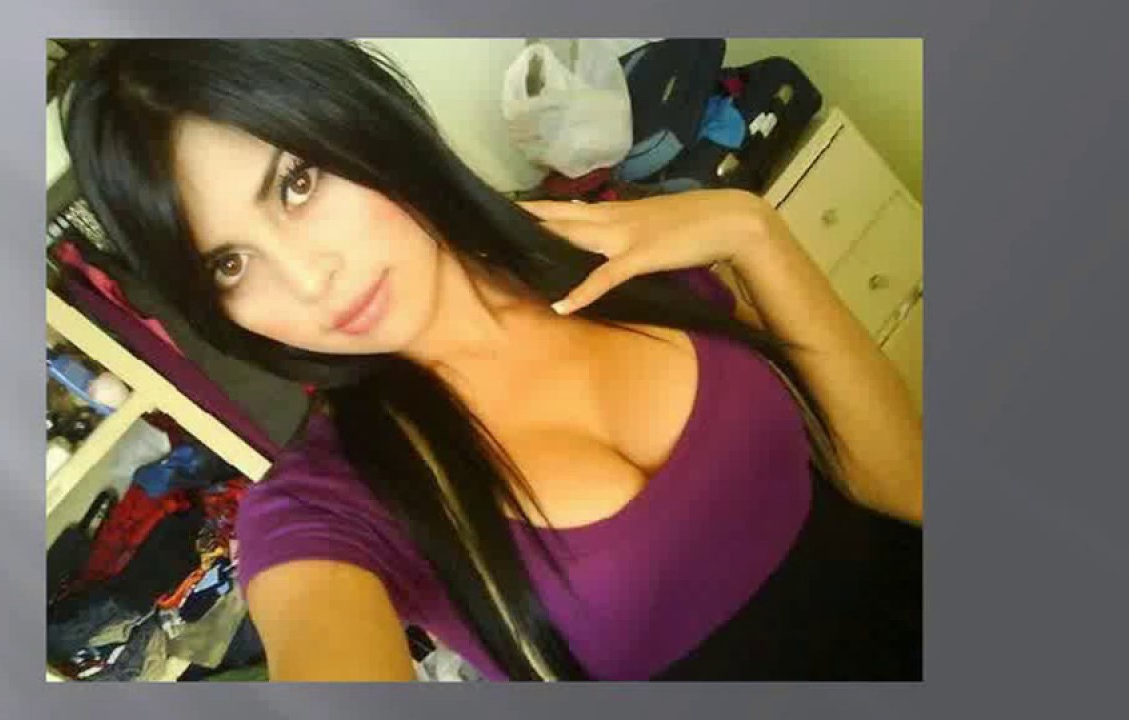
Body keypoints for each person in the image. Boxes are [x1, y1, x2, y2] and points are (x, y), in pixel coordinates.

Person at [56, 39, 922, 681]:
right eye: (229, 264)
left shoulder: (619, 252)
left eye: (297, 184)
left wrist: (750, 228)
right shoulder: (324, 508)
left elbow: (904, 489)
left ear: (360, 122)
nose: (309, 280)